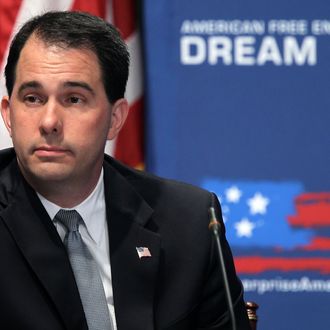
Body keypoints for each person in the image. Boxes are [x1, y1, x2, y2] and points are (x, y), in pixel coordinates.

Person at [0, 11, 250, 330]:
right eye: (33, 98)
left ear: (115, 118)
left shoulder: (189, 223)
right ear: (9, 114)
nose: (49, 122)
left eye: (73, 99)